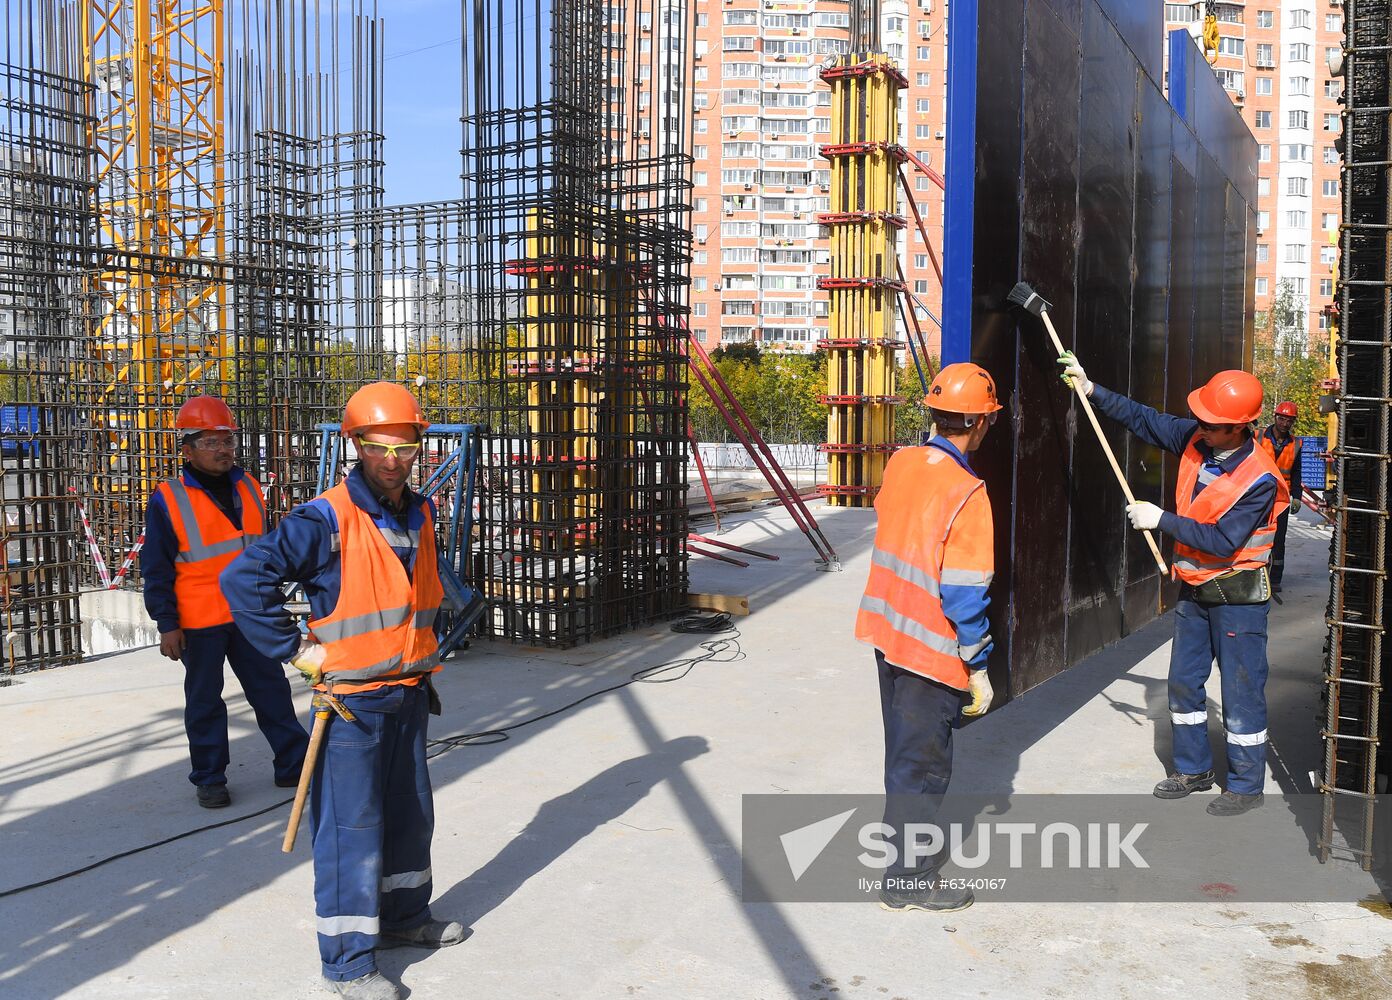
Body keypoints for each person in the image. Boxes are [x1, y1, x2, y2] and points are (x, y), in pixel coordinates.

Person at [220, 382, 462, 1000]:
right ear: (356, 445)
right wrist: (298, 650)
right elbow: (244, 577)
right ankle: (349, 963)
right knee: (351, 831)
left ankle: (405, 919)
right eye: (378, 447)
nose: (392, 459)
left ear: (418, 447)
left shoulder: (420, 511)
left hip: (408, 692)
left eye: (404, 446)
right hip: (351, 705)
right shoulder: (325, 517)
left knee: (410, 817)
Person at [1059, 356, 1289, 816]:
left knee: (1241, 690)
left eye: (1211, 423)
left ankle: (1245, 784)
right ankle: (1192, 768)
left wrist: (1160, 519)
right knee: (1184, 683)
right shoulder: (1196, 439)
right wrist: (1092, 389)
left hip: (1237, 597)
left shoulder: (1260, 478)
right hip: (1195, 590)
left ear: (1239, 427)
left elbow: (1224, 541)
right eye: (1200, 419)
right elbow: (1146, 420)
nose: (1200, 426)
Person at [855, 362, 1000, 914]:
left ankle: (901, 859)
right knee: (923, 767)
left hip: (887, 633)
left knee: (903, 758)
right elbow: (965, 592)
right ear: (982, 423)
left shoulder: (902, 463)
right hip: (928, 650)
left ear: (936, 414)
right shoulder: (968, 492)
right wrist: (978, 665)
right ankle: (907, 877)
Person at [142, 395, 308, 809]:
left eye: (227, 440)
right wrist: (167, 623)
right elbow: (157, 567)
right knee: (205, 702)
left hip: (251, 612)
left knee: (271, 690)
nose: (223, 450)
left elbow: (266, 550)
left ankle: (294, 763)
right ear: (188, 448)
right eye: (211, 442)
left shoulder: (250, 486)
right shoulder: (169, 498)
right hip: (199, 619)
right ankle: (210, 778)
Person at [1258, 401, 1304, 591]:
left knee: (1278, 539)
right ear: (1276, 417)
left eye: (1289, 420)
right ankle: (1254, 573)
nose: (1285, 423)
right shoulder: (1258, 437)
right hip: (1258, 495)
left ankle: (1275, 579)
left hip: (1281, 498)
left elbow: (1296, 473)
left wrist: (1297, 496)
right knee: (1256, 535)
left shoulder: (1295, 444)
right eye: (1282, 418)